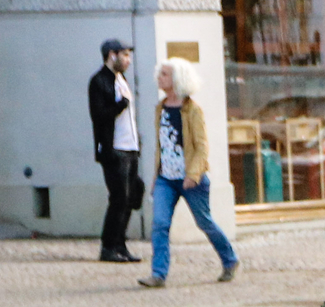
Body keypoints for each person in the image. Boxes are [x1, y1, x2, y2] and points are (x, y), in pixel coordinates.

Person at [138, 58, 238, 288]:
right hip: (166, 178)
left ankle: (230, 260)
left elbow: (201, 146)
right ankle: (158, 274)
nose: (159, 78)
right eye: (160, 73)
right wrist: (156, 176)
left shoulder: (193, 110)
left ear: (178, 79)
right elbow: (161, 145)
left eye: (164, 74)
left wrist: (193, 174)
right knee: (160, 224)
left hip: (192, 178)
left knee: (204, 222)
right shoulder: (160, 108)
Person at [86, 37, 142, 264]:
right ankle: (108, 246)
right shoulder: (99, 81)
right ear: (112, 55)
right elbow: (98, 115)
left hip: (130, 148)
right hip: (114, 149)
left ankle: (120, 244)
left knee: (130, 198)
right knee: (118, 198)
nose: (128, 59)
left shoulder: (122, 79)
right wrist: (120, 105)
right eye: (125, 55)